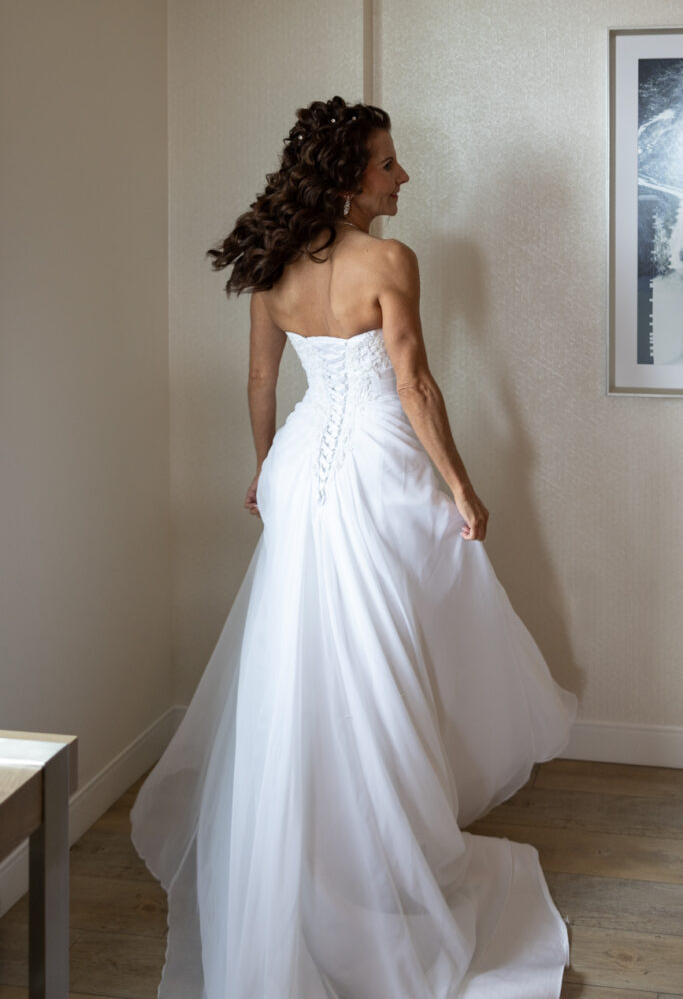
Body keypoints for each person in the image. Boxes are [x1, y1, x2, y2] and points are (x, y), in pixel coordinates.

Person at [130, 95, 578, 999]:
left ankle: (323, 849)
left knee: (308, 653)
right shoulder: (389, 259)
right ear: (347, 176)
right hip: (375, 466)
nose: (401, 175)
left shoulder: (272, 262)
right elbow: (413, 384)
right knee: (379, 650)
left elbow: (261, 380)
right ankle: (377, 852)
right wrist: (461, 485)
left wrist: (266, 469)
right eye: (386, 162)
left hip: (300, 465)